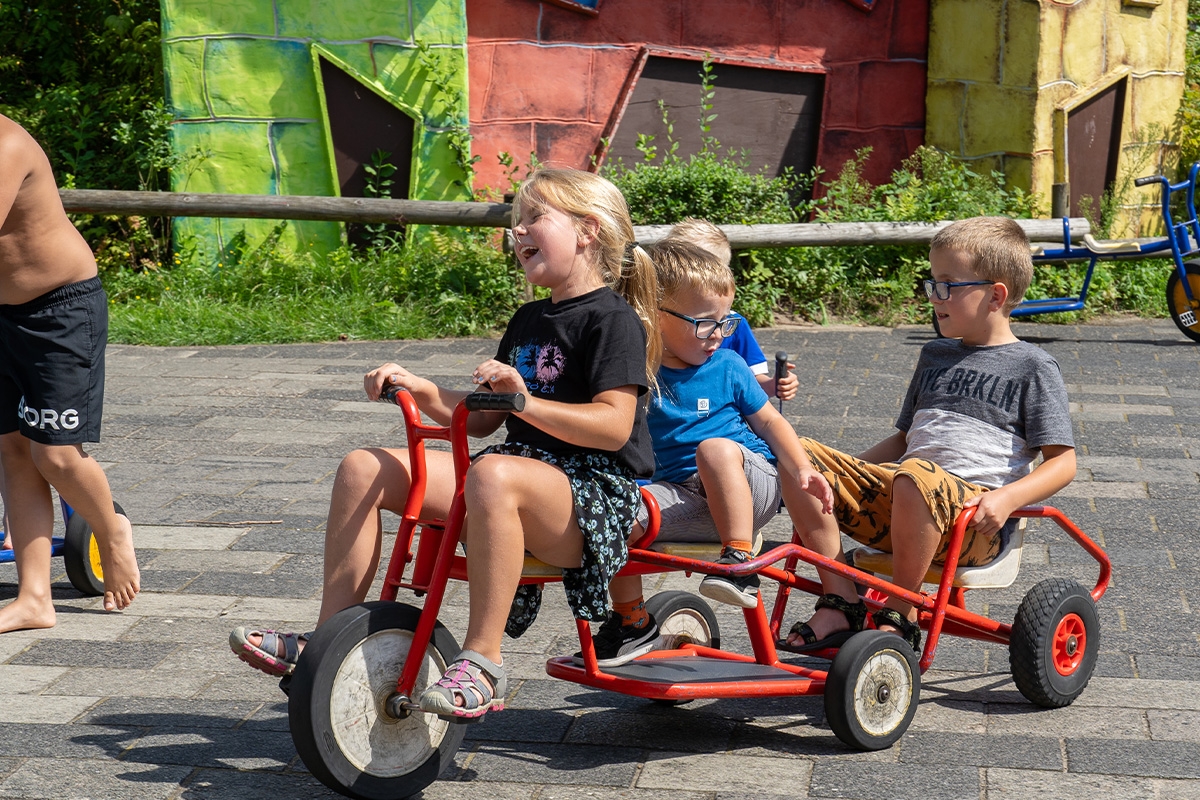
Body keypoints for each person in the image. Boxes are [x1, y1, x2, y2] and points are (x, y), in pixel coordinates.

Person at [230, 167, 660, 721]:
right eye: (515, 222)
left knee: (493, 472)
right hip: (517, 474)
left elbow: (613, 426)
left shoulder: (613, 320)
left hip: (593, 498)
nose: (518, 232)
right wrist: (426, 389)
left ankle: (484, 661)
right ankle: (329, 639)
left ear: (588, 231)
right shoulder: (530, 317)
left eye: (534, 218)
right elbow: (481, 422)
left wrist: (524, 403)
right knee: (365, 467)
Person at [784, 216, 1076, 653]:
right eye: (932, 284)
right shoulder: (935, 354)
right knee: (798, 453)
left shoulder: (1032, 367)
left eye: (947, 285)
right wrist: (842, 476)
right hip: (906, 499)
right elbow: (903, 441)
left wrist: (1007, 499)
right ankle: (840, 598)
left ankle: (901, 610)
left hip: (972, 523)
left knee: (916, 473)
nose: (934, 297)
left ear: (995, 295)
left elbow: (1063, 462)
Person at [590, 238, 834, 667]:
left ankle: (741, 562)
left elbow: (772, 422)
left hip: (750, 483)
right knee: (616, 512)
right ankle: (631, 622)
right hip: (684, 495)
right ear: (655, 314)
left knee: (716, 449)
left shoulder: (727, 367)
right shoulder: (639, 372)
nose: (719, 335)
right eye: (705, 323)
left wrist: (802, 470)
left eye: (726, 322)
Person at [0, 113, 140, 630]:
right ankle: (35, 597)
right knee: (13, 448)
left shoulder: (6, 143)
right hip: (4, 314)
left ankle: (112, 531)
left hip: (59, 310)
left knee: (54, 455)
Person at [663, 218, 798, 402]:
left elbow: (753, 381)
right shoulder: (651, 323)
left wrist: (775, 385)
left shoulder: (733, 325)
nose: (716, 334)